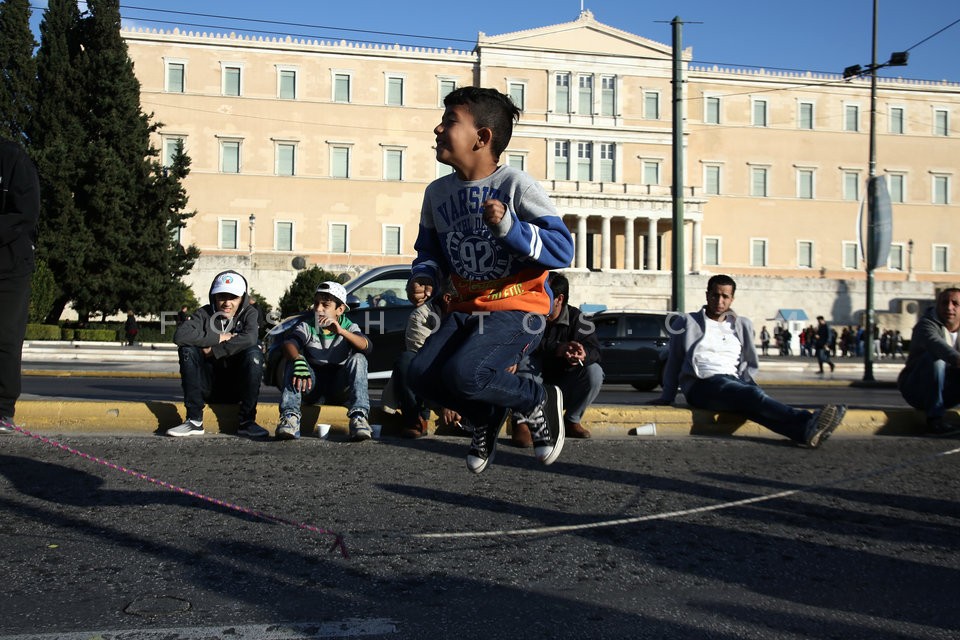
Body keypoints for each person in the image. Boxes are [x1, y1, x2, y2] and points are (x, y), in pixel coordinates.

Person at [406, 86, 575, 474]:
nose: (437, 128)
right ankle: (484, 417)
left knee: (466, 373)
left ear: (481, 138)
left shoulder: (516, 185)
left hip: (519, 308)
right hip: (466, 308)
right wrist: (424, 278)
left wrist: (509, 226)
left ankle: (536, 397)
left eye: (449, 122)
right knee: (420, 374)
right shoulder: (436, 193)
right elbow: (429, 252)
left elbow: (562, 249)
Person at [651, 274, 846, 448]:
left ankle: (804, 433)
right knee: (751, 395)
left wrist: (746, 382)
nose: (719, 301)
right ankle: (809, 420)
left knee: (752, 403)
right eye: (715, 295)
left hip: (732, 381)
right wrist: (667, 396)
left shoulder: (742, 324)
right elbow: (674, 359)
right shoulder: (686, 322)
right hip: (701, 384)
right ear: (707, 295)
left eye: (725, 296)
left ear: (732, 299)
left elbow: (750, 361)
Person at [168, 271, 267, 438]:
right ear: (214, 297)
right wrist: (220, 337)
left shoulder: (249, 313)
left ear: (242, 298)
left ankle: (247, 421)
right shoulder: (204, 313)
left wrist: (214, 351)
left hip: (237, 387)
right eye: (222, 297)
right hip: (208, 385)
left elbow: (250, 337)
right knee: (187, 350)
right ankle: (194, 420)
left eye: (233, 297)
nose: (227, 303)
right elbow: (180, 336)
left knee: (254, 354)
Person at [275, 281, 373, 441]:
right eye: (316, 304)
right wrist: (297, 358)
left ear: (340, 309)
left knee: (359, 358)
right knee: (294, 360)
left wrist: (341, 331)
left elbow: (367, 347)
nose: (318, 309)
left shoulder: (349, 326)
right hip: (312, 385)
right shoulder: (308, 326)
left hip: (339, 387)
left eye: (325, 305)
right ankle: (290, 417)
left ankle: (359, 418)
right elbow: (289, 344)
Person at [513, 272, 602, 446]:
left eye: (544, 294)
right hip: (534, 378)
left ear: (559, 299)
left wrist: (582, 354)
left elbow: (596, 351)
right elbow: (522, 341)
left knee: (595, 371)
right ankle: (521, 421)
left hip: (562, 381)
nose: (538, 298)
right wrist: (557, 348)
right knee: (526, 360)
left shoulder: (578, 319)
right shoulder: (530, 315)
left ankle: (571, 420)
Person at [0, 139, 40, 436]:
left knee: (5, 338)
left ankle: (2, 410)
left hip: (9, 266)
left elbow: (26, 212)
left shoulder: (12, 157)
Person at [897, 288, 960, 436]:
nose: (949, 307)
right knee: (935, 357)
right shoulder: (926, 325)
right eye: (944, 303)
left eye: (955, 303)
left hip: (948, 391)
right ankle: (934, 421)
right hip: (917, 389)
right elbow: (939, 347)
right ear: (938, 305)